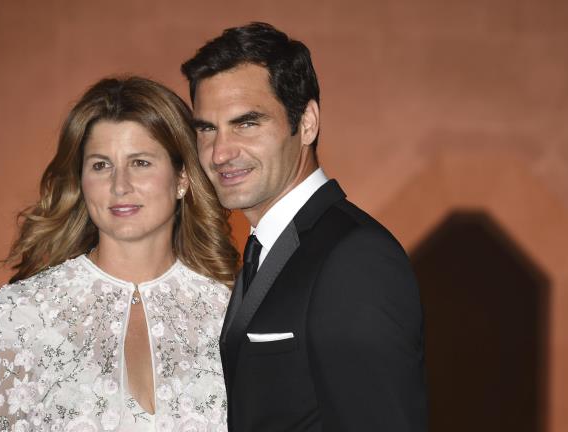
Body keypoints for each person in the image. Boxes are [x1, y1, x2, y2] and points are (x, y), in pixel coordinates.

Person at [0, 76, 238, 431]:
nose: (120, 185)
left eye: (140, 162)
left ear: (182, 178)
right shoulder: (21, 317)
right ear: (82, 182)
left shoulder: (230, 313)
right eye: (101, 165)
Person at [181, 22, 428, 431]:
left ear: (307, 123)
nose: (219, 153)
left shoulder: (355, 259)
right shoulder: (266, 250)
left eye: (246, 123)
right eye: (207, 129)